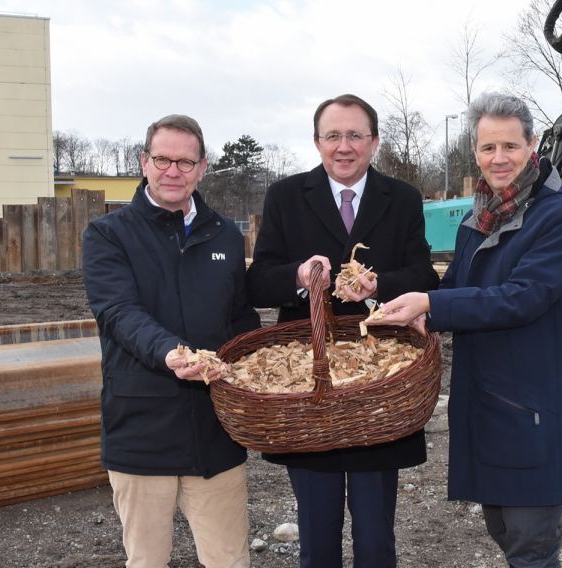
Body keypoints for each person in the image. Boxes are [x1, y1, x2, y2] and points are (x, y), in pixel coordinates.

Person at [370, 92, 562, 568]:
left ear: (533, 145)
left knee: (531, 545)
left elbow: (522, 297)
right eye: (488, 148)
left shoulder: (560, 219)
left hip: (532, 410)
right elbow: (452, 288)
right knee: (503, 530)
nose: (499, 159)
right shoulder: (479, 217)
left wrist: (432, 304)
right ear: (475, 153)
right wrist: (385, 291)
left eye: (510, 146)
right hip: (486, 408)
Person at [246, 93, 440, 567]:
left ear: (373, 143)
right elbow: (257, 281)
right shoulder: (287, 197)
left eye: (355, 135)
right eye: (333, 135)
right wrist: (298, 276)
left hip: (380, 385)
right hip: (310, 382)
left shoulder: (403, 198)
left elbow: (424, 275)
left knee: (375, 537)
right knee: (317, 533)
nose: (344, 146)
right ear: (317, 142)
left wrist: (379, 285)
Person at [82, 114, 260, 568]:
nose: (173, 171)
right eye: (162, 159)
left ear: (203, 168)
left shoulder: (223, 234)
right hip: (141, 428)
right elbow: (119, 313)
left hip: (214, 432)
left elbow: (239, 316)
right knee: (146, 562)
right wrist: (171, 353)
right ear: (144, 162)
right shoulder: (109, 234)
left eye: (185, 161)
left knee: (230, 560)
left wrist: (257, 366)